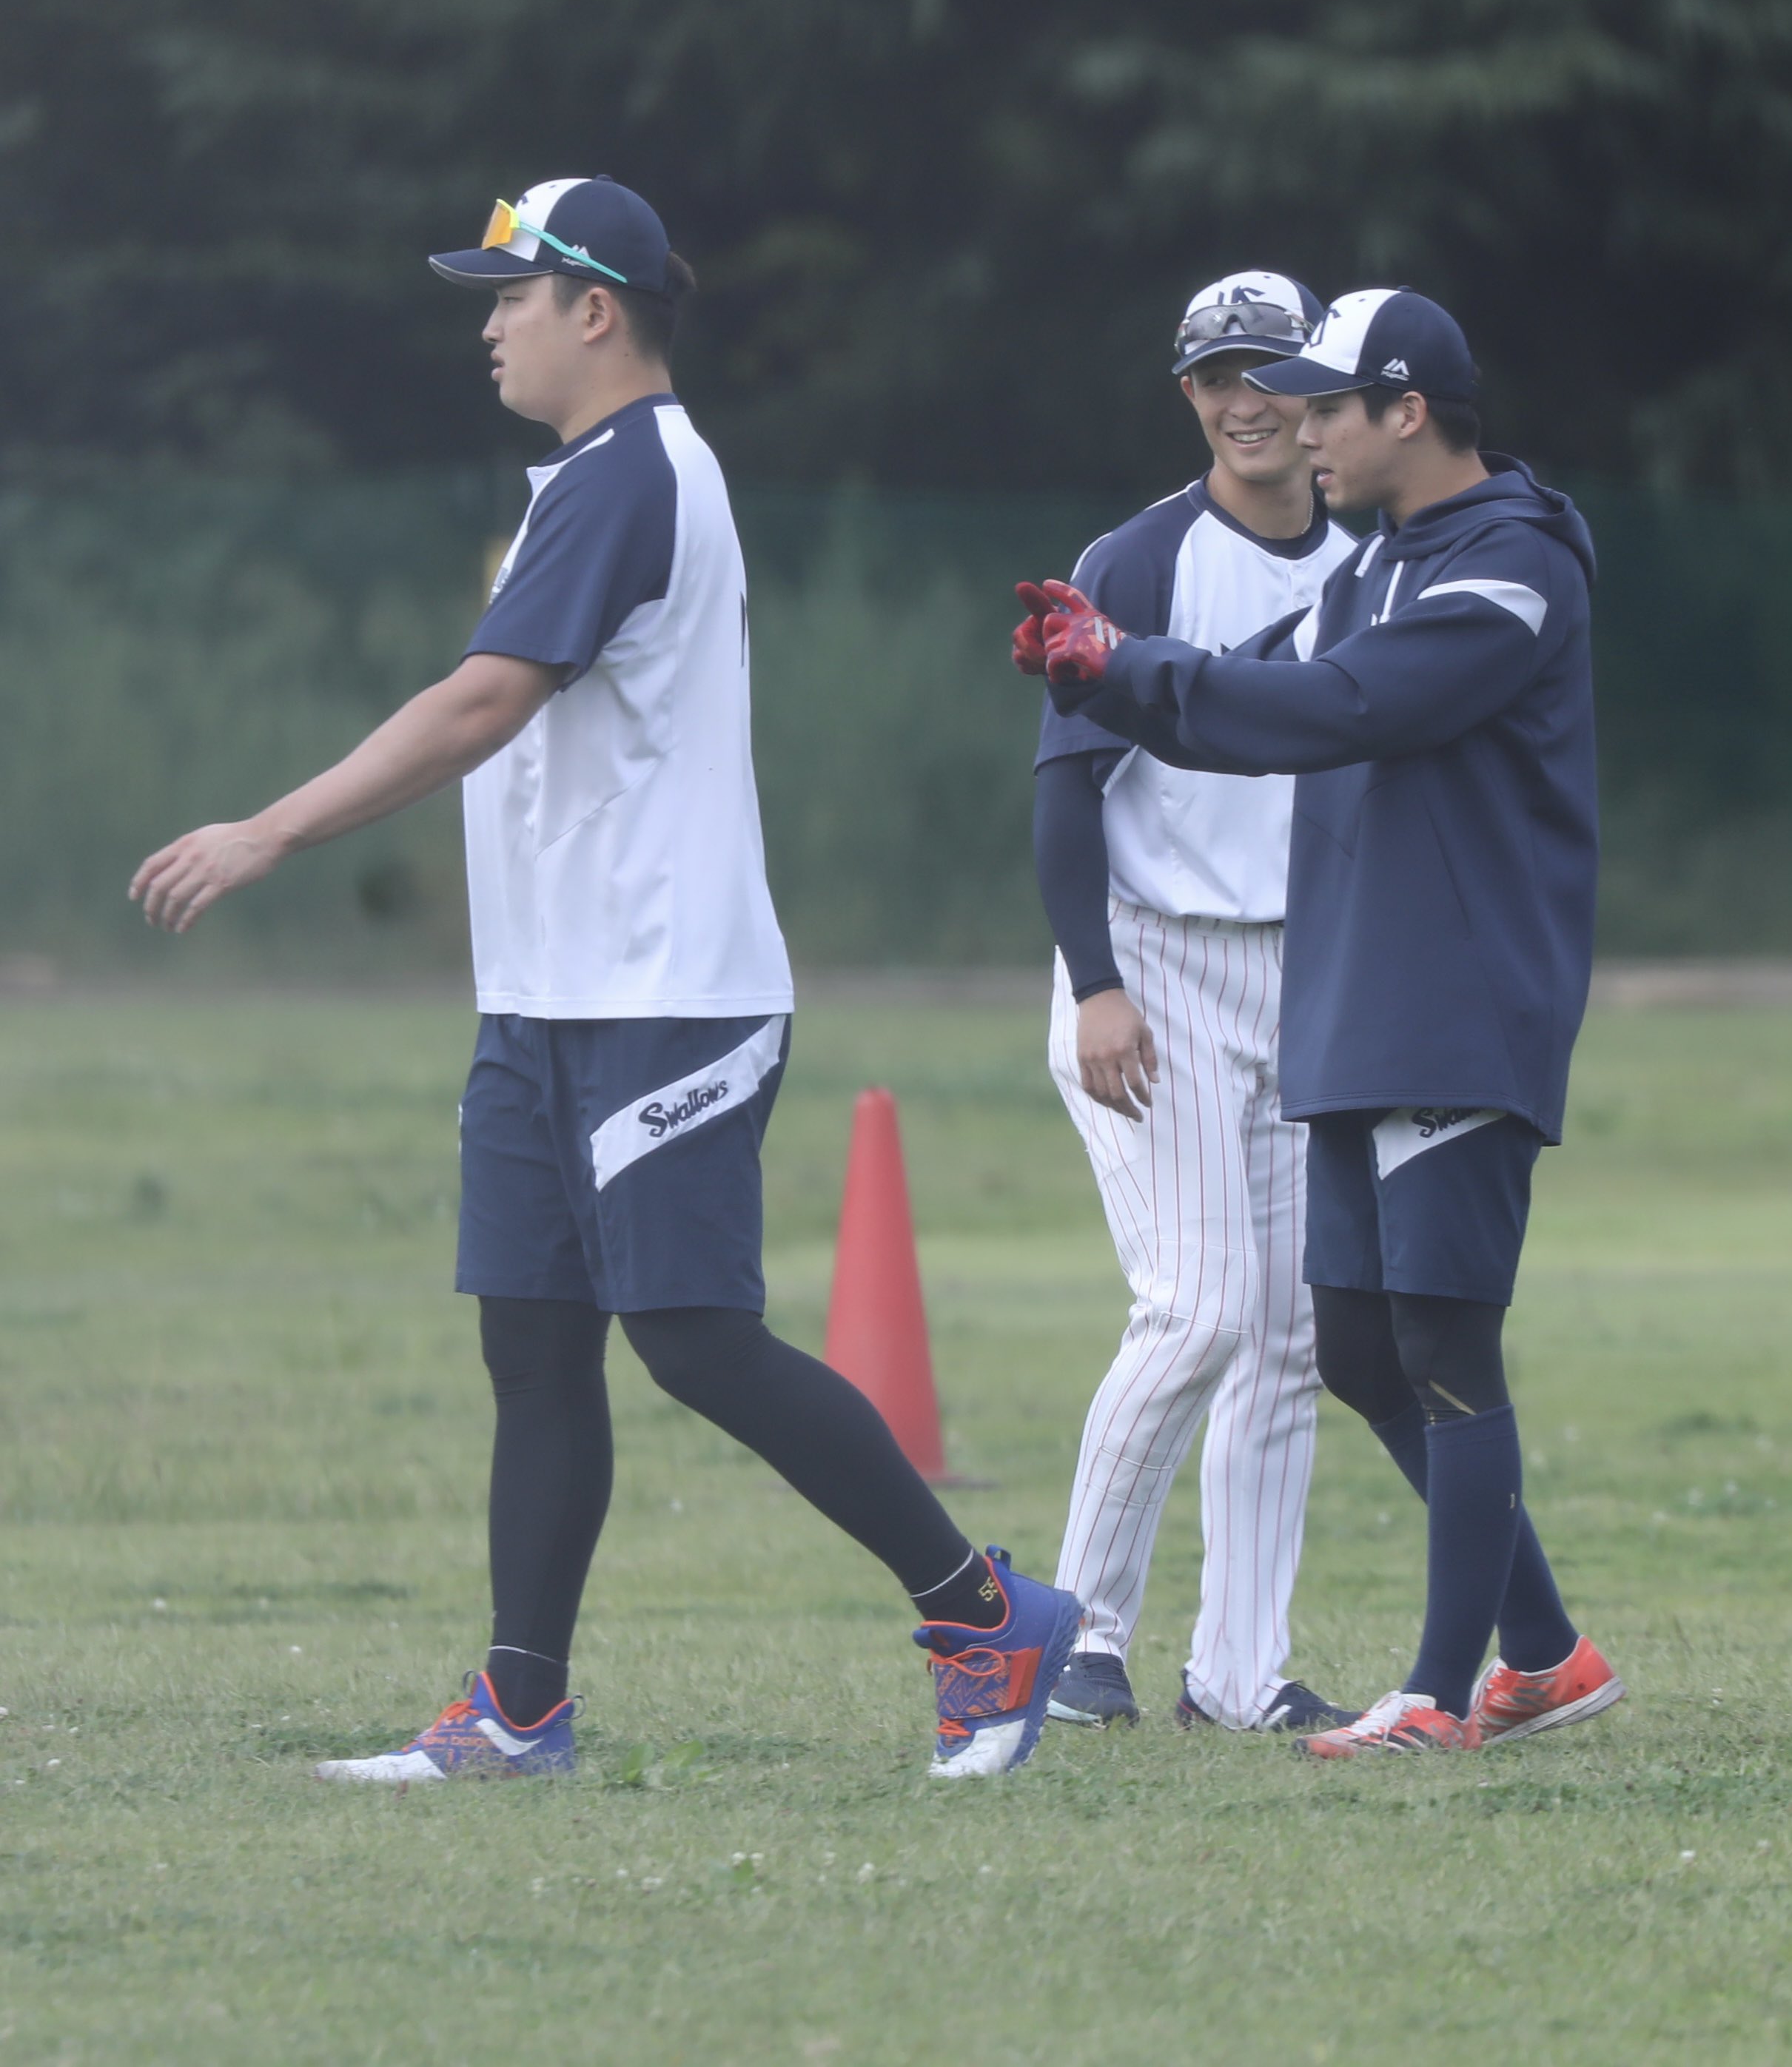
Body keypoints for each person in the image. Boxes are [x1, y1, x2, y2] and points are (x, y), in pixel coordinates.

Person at [130, 174, 1082, 1783]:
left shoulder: (631, 472)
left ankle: (987, 1615)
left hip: (666, 992)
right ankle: (519, 1708)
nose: (489, 327)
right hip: (546, 997)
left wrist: (268, 830)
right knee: (532, 1343)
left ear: (594, 309)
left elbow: (480, 703)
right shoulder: (585, 481)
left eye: (510, 297)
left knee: (694, 1340)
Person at [1019, 288, 1624, 1755]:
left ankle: (1438, 1693)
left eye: (1324, 402)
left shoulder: (1508, 567)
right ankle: (1546, 1651)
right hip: (1354, 999)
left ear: (1404, 412)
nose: (1296, 424)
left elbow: (1346, 707)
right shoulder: (1382, 565)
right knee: (1349, 1345)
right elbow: (1259, 706)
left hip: (1456, 999)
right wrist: (1107, 669)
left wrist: (1128, 664)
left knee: (1440, 1347)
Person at [1016, 272, 1360, 1735]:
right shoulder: (1142, 557)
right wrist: (1094, 984)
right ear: (1188, 396)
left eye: (1270, 372)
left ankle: (1237, 1670)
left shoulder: (1369, 559)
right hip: (1148, 964)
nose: (1245, 401)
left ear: (1320, 393)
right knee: (1199, 1306)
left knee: (1290, 1335)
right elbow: (1063, 787)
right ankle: (1073, 1638)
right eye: (1217, 376)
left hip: (1302, 969)